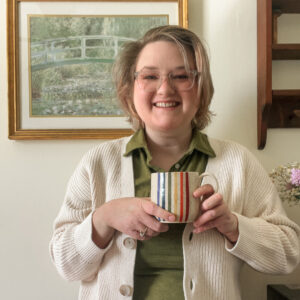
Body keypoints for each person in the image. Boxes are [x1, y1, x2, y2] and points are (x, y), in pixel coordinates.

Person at [49, 25, 300, 300]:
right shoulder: (99, 163)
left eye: (181, 76)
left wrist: (233, 225)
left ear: (201, 91)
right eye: (150, 76)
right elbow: (66, 265)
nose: (165, 89)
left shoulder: (237, 162)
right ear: (129, 90)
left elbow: (287, 256)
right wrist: (104, 218)